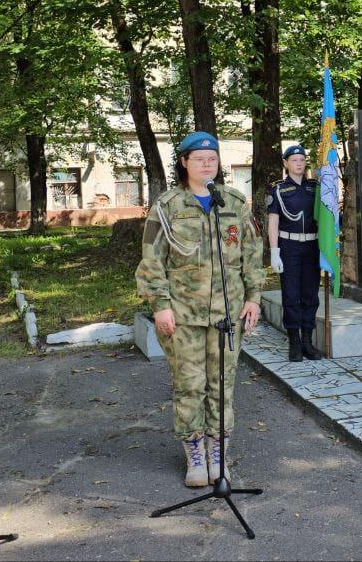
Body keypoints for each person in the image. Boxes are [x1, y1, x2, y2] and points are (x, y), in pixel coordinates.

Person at [135, 131, 264, 488]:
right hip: (184, 316)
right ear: (184, 163)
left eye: (213, 159)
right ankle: (194, 454)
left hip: (228, 314)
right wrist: (160, 306)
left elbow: (252, 255)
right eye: (200, 159)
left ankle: (218, 452)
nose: (208, 165)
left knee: (222, 385)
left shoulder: (234, 203)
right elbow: (151, 261)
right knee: (189, 385)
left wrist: (253, 297)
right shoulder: (168, 206)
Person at [267, 144, 324, 362]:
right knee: (291, 297)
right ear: (286, 163)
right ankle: (294, 344)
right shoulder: (278, 190)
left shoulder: (315, 187)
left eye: (302, 159)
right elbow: (273, 223)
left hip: (312, 247)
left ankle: (308, 343)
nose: (299, 163)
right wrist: (274, 252)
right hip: (289, 248)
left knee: (310, 297)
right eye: (294, 160)